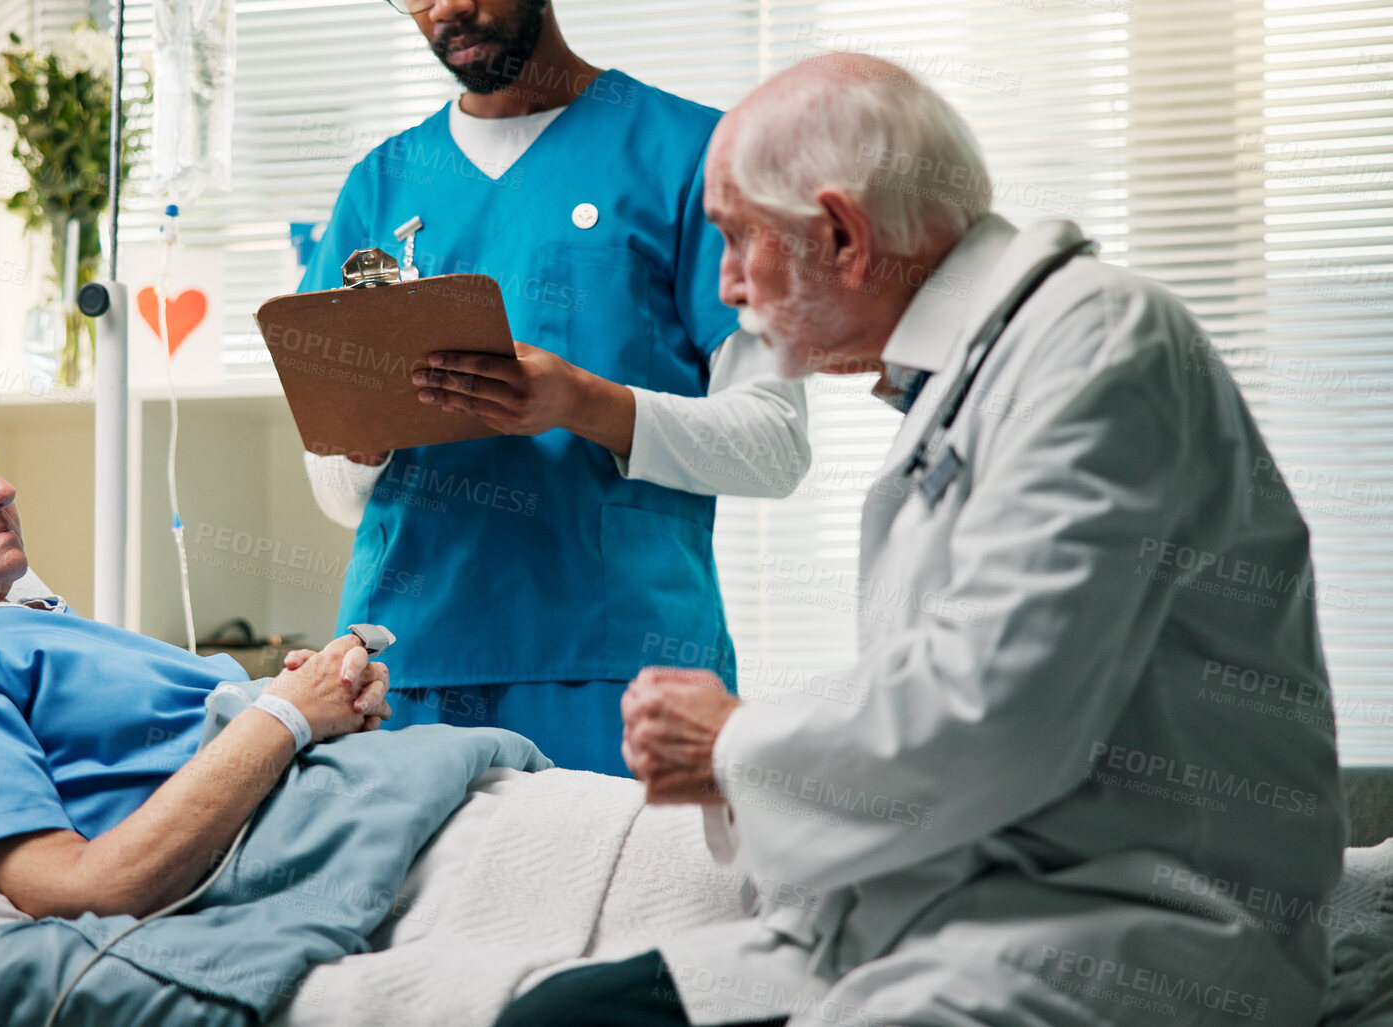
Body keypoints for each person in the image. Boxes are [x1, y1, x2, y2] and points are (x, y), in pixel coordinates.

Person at [501, 53, 1347, 1027]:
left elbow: (1001, 707)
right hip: (966, 904)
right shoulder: (972, 375)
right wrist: (733, 740)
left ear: (844, 236)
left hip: (1133, 926)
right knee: (561, 1015)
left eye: (738, 240)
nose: (727, 285)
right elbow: (951, 677)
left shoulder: (1102, 343)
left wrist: (734, 742)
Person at [0, 381, 551, 1025]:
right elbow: (74, 888)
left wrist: (316, 705)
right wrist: (282, 719)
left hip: (441, 809)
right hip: (415, 856)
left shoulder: (35, 625)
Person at [299, 0, 811, 776]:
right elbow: (339, 493)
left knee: (647, 895)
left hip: (622, 663)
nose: (445, 9)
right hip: (404, 666)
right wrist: (363, 441)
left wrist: (582, 403)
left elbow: (774, 446)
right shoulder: (380, 184)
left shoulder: (694, 156)